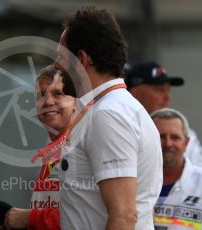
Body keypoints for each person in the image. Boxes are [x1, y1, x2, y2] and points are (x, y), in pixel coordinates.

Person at [53, 6, 163, 230]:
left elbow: (123, 216)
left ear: (82, 59)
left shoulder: (108, 115)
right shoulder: (110, 108)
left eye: (61, 57)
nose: (56, 65)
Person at [3, 66, 76, 229]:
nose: (48, 102)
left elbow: (85, 215)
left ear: (76, 102)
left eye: (58, 93)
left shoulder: (78, 147)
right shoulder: (53, 150)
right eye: (41, 95)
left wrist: (29, 218)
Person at [125, 61, 202, 166]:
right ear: (135, 92)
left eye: (168, 91)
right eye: (160, 90)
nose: (167, 97)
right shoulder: (120, 127)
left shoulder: (185, 133)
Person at [151, 108, 202, 229]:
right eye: (161, 137)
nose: (168, 144)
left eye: (175, 137)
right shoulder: (130, 181)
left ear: (186, 143)